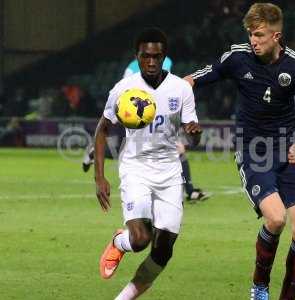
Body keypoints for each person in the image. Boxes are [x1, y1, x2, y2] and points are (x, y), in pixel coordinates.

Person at [184, 3, 295, 300]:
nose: (253, 41)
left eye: (259, 35)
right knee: (276, 219)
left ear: (276, 35)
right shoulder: (238, 57)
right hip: (253, 150)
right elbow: (195, 79)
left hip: (289, 150)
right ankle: (259, 286)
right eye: (250, 34)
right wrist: (171, 94)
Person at [94, 27, 202, 300]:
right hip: (136, 168)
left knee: (164, 249)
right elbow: (102, 129)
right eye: (145, 56)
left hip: (169, 172)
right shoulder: (124, 89)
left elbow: (194, 137)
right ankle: (121, 241)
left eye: (156, 56)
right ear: (137, 56)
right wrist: (99, 177)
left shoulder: (180, 89)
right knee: (140, 239)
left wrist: (193, 132)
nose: (151, 62)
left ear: (164, 56)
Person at [83, 56, 209, 202]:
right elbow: (126, 95)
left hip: (152, 112)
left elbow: (163, 90)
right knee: (135, 149)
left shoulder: (166, 63)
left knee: (133, 149)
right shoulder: (132, 68)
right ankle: (187, 191)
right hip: (136, 115)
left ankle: (187, 191)